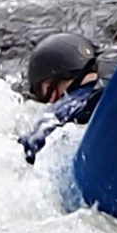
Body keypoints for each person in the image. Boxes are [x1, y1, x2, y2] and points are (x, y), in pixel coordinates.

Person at [18, 32, 105, 164]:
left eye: (43, 91)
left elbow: (30, 147)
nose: (50, 101)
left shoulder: (68, 107)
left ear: (50, 84)